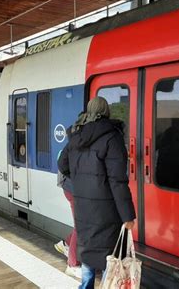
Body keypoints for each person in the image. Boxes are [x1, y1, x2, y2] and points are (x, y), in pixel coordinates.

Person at [58, 97, 136, 289]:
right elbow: (117, 181)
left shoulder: (76, 135)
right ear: (106, 112)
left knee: (88, 248)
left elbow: (62, 165)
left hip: (83, 204)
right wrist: (128, 216)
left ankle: (86, 286)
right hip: (106, 208)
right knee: (109, 254)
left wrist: (80, 180)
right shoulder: (112, 137)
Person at [55, 127, 81, 279]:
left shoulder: (66, 149)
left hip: (69, 190)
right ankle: (72, 264)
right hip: (73, 191)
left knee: (81, 225)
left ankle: (65, 244)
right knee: (80, 225)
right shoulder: (73, 150)